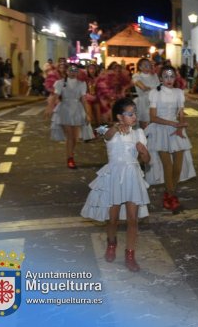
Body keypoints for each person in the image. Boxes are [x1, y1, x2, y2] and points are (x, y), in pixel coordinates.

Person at [81, 97, 151, 272]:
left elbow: (147, 159)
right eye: (130, 114)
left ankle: (130, 254)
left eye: (135, 113)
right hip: (114, 176)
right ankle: (111, 244)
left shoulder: (139, 133)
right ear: (120, 116)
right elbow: (105, 135)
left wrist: (144, 153)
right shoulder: (108, 130)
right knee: (112, 219)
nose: (134, 117)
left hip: (132, 176)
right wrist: (114, 127)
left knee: (132, 219)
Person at [145, 65, 196, 211]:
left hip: (176, 131)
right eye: (166, 76)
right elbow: (153, 117)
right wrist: (172, 123)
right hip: (160, 131)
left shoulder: (179, 92)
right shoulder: (155, 93)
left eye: (172, 76)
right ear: (160, 78)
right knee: (167, 166)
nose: (169, 79)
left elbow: (181, 113)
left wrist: (180, 126)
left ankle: (169, 193)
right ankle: (171, 196)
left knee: (177, 167)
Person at [46, 63, 93, 168]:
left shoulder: (82, 84)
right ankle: (70, 158)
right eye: (70, 70)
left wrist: (87, 114)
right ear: (66, 71)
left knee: (75, 138)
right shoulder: (60, 83)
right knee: (70, 136)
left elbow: (84, 100)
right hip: (65, 110)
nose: (72, 72)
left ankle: (70, 156)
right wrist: (50, 107)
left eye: (75, 70)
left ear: (78, 72)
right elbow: (55, 96)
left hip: (77, 109)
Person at [132, 58, 160, 129]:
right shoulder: (137, 76)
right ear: (140, 67)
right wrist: (153, 88)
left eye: (149, 64)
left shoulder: (155, 75)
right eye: (145, 65)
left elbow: (159, 89)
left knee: (155, 125)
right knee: (144, 126)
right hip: (143, 102)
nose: (148, 66)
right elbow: (143, 88)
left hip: (155, 102)